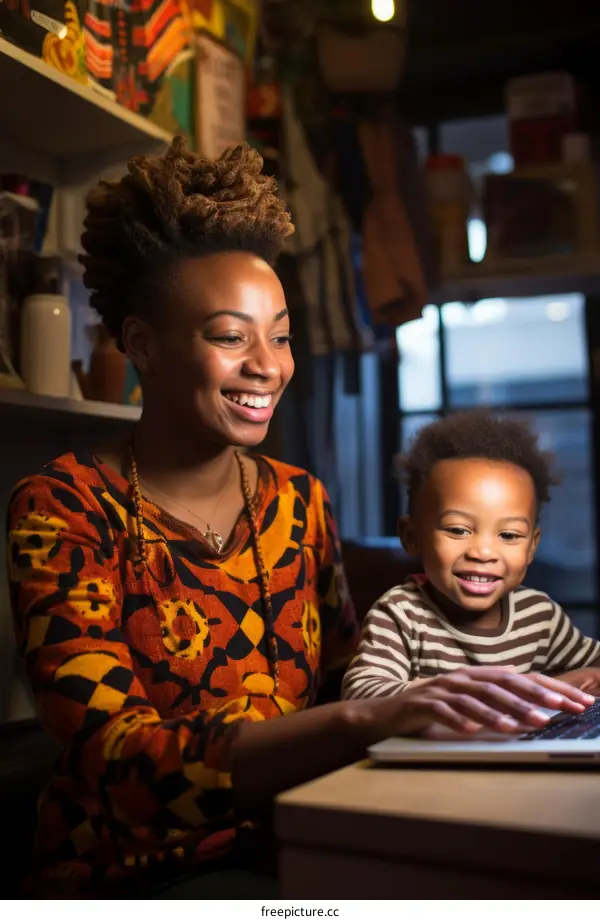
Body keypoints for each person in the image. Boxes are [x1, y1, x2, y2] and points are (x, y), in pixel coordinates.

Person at [7, 141, 593, 899]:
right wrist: (361, 723)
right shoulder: (64, 506)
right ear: (141, 345)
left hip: (305, 841)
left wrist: (518, 692)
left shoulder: (298, 500)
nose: (270, 365)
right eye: (230, 336)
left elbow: (347, 679)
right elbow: (117, 763)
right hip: (131, 875)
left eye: (279, 335)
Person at [343, 411, 600, 703]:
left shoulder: (539, 616)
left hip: (518, 748)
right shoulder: (402, 614)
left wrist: (558, 684)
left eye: (509, 535)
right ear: (412, 537)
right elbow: (359, 696)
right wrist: (456, 693)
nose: (483, 552)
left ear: (531, 547)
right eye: (458, 529)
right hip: (431, 750)